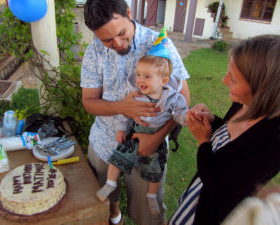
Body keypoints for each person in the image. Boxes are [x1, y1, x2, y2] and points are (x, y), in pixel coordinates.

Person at [80, 0, 190, 224]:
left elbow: (183, 99)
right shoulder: (93, 52)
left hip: (150, 147)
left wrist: (157, 138)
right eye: (107, 40)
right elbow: (89, 102)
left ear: (128, 13)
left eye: (121, 33)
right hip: (104, 143)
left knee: (150, 216)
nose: (118, 43)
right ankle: (115, 216)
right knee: (104, 209)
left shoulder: (160, 44)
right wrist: (122, 108)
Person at [169, 35, 280, 225]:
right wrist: (212, 121)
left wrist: (203, 140)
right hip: (195, 196)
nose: (224, 80)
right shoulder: (242, 104)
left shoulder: (274, 141)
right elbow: (231, 141)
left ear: (262, 88)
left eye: (234, 79)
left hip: (210, 214)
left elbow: (219, 186)